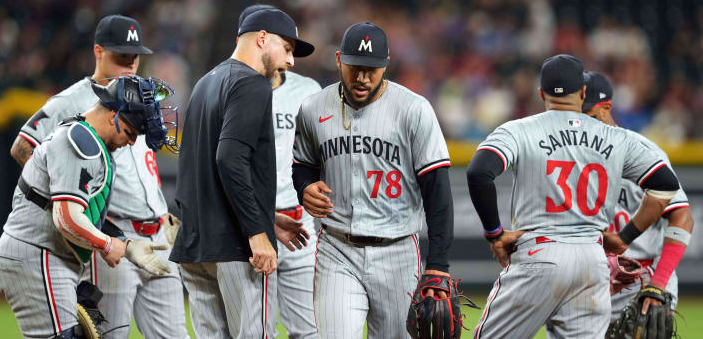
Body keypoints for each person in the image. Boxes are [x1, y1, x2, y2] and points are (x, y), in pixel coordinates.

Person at [465, 54, 682, 338]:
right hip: (592, 261)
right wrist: (625, 237)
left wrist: (495, 233)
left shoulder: (518, 130)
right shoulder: (616, 137)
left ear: (541, 93)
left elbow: (479, 172)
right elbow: (666, 185)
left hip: (539, 254)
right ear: (582, 92)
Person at [9, 15, 188, 339]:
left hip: (158, 236)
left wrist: (161, 212)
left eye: (135, 56)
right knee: (112, 336)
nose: (131, 63)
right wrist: (72, 204)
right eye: (122, 55)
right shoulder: (72, 101)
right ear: (98, 51)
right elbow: (23, 149)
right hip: (114, 237)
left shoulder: (140, 98)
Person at [291, 22, 455, 338]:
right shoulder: (313, 108)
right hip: (337, 248)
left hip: (398, 251)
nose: (363, 78)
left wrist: (439, 265)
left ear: (386, 63)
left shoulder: (413, 110)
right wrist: (304, 187)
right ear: (339, 59)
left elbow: (438, 191)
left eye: (372, 69)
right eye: (355, 68)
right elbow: (303, 166)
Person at [171, 8, 315, 338]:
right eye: (288, 49)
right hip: (235, 247)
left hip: (196, 244)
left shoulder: (206, 82)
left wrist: (267, 218)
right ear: (263, 39)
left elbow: (197, 169)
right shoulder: (253, 84)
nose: (291, 62)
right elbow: (230, 160)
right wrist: (256, 232)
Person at [580, 71, 694, 327]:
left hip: (639, 281)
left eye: (586, 114)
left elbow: (682, 217)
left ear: (605, 108)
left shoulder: (642, 153)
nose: (579, 122)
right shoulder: (568, 154)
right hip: (584, 283)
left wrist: (658, 283)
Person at [239, 4, 322, 338]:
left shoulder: (308, 91)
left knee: (312, 331)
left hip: (301, 224)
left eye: (292, 50)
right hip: (251, 224)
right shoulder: (231, 89)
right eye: (286, 48)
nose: (290, 58)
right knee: (258, 331)